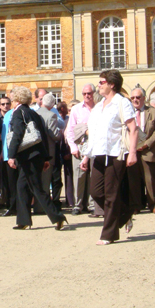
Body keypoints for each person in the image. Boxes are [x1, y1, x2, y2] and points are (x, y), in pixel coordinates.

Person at [80, 69, 138, 245]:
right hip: (98, 154)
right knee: (96, 192)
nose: (99, 85)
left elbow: (132, 128)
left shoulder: (122, 103)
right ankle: (125, 212)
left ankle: (108, 235)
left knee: (112, 194)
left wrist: (133, 152)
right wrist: (85, 157)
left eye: (101, 82)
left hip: (116, 153)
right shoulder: (98, 107)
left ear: (111, 84)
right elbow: (93, 133)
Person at [6, 86, 68, 231]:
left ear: (16, 98)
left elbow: (17, 134)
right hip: (35, 155)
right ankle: (23, 220)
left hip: (27, 156)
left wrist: (11, 155)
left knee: (36, 188)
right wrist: (45, 157)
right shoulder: (33, 113)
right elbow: (42, 136)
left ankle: (58, 216)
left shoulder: (18, 113)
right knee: (22, 187)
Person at [128, 87, 155, 214]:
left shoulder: (154, 112)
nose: (135, 100)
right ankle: (136, 205)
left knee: (150, 179)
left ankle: (154, 204)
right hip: (132, 150)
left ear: (144, 98)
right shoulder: (127, 112)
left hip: (148, 150)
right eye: (133, 98)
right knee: (133, 180)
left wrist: (146, 145)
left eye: (138, 97)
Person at [64, 83, 96, 215]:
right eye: (84, 94)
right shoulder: (77, 109)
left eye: (89, 93)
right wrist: (73, 147)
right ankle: (77, 205)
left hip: (95, 146)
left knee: (94, 175)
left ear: (94, 94)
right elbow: (70, 130)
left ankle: (92, 204)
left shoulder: (99, 108)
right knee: (79, 176)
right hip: (80, 146)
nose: (87, 96)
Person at [0, 94, 18, 217]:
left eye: (8, 103)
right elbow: (5, 135)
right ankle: (11, 206)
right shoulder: (7, 115)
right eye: (3, 104)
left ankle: (15, 206)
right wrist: (3, 152)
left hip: (14, 154)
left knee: (15, 182)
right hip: (6, 154)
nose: (6, 106)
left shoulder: (15, 113)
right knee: (9, 182)